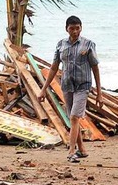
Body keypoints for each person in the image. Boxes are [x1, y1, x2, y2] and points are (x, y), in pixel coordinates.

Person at [38, 15, 102, 163]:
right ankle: (82, 149)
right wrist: (43, 89)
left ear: (81, 28)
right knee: (73, 119)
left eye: (77, 28)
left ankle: (71, 151)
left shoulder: (88, 44)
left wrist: (99, 93)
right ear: (66, 29)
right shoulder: (61, 44)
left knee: (74, 117)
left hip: (83, 86)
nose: (75, 31)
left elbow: (95, 68)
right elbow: (54, 67)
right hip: (67, 85)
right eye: (72, 28)